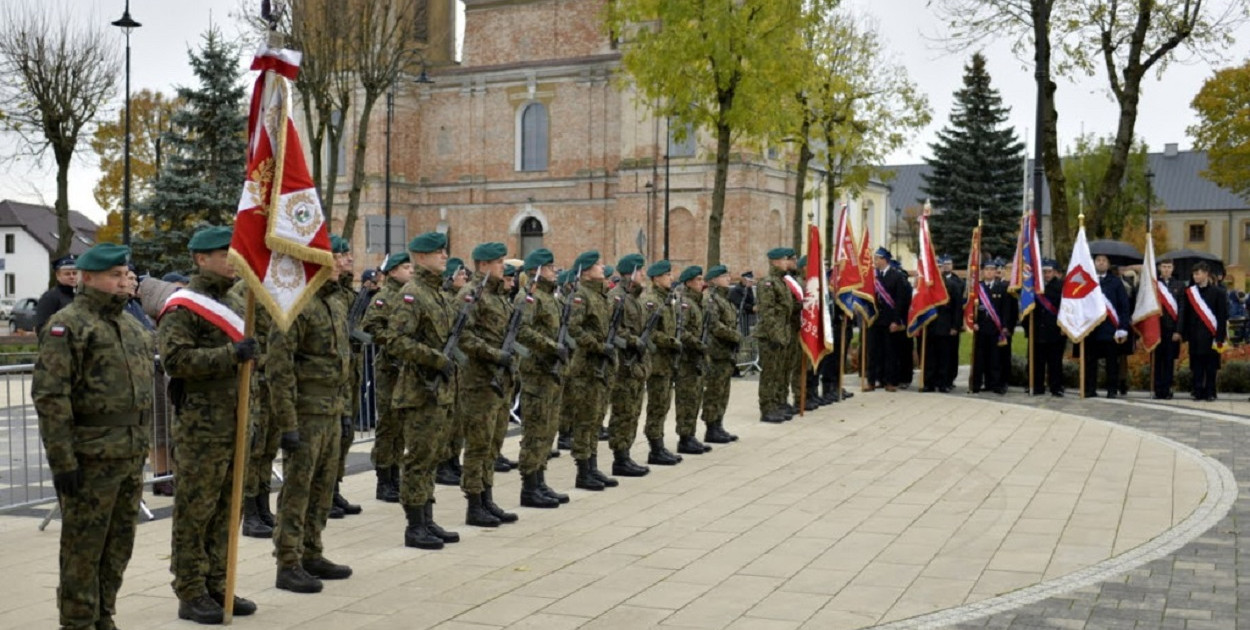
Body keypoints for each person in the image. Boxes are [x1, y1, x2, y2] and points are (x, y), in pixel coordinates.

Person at [34, 243, 154, 630]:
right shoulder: (68, 325)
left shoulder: (133, 327)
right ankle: (77, 621)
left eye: (125, 274)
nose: (124, 281)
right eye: (114, 275)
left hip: (130, 453)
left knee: (119, 546)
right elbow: (52, 397)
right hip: (90, 458)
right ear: (88, 278)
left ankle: (104, 614)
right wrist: (63, 462)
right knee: (83, 549)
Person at [156, 226, 259, 623]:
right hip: (202, 428)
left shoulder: (234, 299)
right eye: (223, 254)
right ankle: (191, 589)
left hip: (236, 421)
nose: (232, 260)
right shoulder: (183, 306)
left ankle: (220, 581)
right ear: (201, 259)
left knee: (227, 510)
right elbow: (176, 361)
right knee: (195, 512)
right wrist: (230, 354)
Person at [268, 243, 355, 593]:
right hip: (305, 410)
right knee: (298, 489)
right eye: (332, 259)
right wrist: (287, 423)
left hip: (332, 408)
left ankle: (312, 551)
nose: (340, 264)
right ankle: (288, 562)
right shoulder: (296, 304)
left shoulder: (334, 301)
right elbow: (280, 367)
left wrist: (346, 409)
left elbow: (343, 362)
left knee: (322, 487)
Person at [388, 232, 461, 549]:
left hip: (439, 391)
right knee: (418, 459)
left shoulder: (440, 295)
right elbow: (396, 341)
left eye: (444, 251)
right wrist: (435, 359)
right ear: (420, 257)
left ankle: (427, 518)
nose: (444, 255)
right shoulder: (413, 294)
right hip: (419, 391)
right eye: (437, 252)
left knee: (431, 457)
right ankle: (414, 526)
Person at [457, 242, 520, 526]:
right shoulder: (471, 295)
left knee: (494, 443)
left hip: (501, 380)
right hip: (480, 381)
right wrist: (496, 355)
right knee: (479, 445)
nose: (503, 267)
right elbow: (464, 337)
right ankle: (473, 503)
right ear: (482, 265)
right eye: (498, 262)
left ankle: (487, 497)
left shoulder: (499, 296)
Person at [516, 248, 572, 508]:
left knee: (548, 429)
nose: (554, 271)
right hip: (537, 372)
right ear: (537, 272)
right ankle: (529, 487)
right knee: (535, 430)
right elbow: (522, 330)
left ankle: (540, 479)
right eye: (549, 268)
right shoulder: (529, 298)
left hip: (552, 372)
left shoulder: (553, 298)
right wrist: (550, 347)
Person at [566, 250, 621, 490]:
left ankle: (593, 466)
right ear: (586, 271)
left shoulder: (602, 296)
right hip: (587, 367)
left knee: (597, 419)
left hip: (602, 366)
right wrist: (598, 347)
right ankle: (583, 471)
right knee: (585, 420)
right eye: (598, 264)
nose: (603, 267)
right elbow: (574, 329)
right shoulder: (581, 296)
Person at [361, 252, 413, 503]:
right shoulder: (383, 297)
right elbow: (371, 327)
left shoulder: (408, 295)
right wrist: (393, 341)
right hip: (389, 368)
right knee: (388, 425)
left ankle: (396, 475)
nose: (411, 270)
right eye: (405, 267)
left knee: (401, 424)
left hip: (406, 368)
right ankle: (384, 479)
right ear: (392, 272)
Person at [605, 253, 651, 478]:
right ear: (631, 273)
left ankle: (626, 453)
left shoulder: (636, 298)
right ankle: (620, 457)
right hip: (623, 364)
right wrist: (633, 341)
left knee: (633, 410)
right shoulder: (616, 297)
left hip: (637, 364)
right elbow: (612, 330)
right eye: (640, 270)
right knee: (622, 411)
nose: (643, 274)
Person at [327, 236, 362, 519]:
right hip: (322, 386)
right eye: (340, 255)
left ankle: (333, 489)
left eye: (347, 254)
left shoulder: (344, 294)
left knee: (344, 436)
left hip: (346, 376)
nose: (346, 259)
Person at [639, 260, 683, 464]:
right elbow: (650, 332)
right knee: (657, 405)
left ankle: (660, 445)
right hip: (657, 361)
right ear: (656, 279)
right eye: (667, 275)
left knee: (664, 404)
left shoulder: (667, 299)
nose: (671, 278)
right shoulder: (651, 300)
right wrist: (670, 342)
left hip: (667, 360)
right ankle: (655, 448)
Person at [673, 266, 713, 454]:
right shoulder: (685, 304)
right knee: (686, 399)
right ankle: (684, 437)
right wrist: (697, 344)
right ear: (688, 282)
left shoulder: (699, 303)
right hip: (687, 359)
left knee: (695, 397)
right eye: (697, 280)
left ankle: (691, 434)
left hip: (697, 357)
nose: (701, 283)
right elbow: (681, 331)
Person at [436, 257, 468, 487]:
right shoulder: (446, 300)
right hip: (442, 368)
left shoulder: (455, 300)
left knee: (456, 419)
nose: (465, 278)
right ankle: (442, 463)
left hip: (456, 370)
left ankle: (452, 460)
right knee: (445, 421)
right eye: (460, 275)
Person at [700, 265, 742, 443]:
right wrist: (735, 336)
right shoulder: (711, 299)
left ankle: (719, 424)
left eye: (728, 275)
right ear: (713, 280)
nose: (728, 278)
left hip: (726, 352)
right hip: (716, 352)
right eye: (724, 276)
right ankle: (711, 428)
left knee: (723, 391)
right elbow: (714, 325)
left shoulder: (725, 299)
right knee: (714, 391)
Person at [1080, 254, 1131, 398]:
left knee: (1111, 363)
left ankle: (1112, 390)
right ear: (1094, 263)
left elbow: (1124, 306)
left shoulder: (1115, 282)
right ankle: (1090, 389)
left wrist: (1122, 327)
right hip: (1091, 328)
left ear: (1108, 265)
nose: (1101, 263)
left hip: (1110, 329)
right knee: (1090, 362)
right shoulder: (1087, 281)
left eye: (1104, 261)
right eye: (1098, 261)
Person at [757, 248, 798, 422]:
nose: (786, 262)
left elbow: (786, 309)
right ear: (774, 262)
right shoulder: (768, 283)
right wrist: (775, 336)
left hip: (782, 334)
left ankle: (778, 403)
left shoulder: (782, 282)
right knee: (770, 374)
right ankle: (767, 408)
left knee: (780, 372)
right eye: (783, 259)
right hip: (770, 336)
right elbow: (768, 313)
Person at [1177, 261, 1227, 401]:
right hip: (1195, 335)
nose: (1196, 276)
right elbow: (1185, 314)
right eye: (1194, 273)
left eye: (1198, 273)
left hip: (1211, 335)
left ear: (1206, 274)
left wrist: (1220, 337)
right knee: (1196, 365)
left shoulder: (1218, 293)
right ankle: (1198, 391)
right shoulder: (1190, 292)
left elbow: (1222, 316)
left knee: (1211, 366)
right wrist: (1185, 334)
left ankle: (1210, 392)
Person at [867, 247, 910, 392]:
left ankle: (889, 381)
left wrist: (896, 321)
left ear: (884, 260)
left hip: (889, 320)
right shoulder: (873, 276)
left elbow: (900, 301)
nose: (875, 261)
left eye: (877, 259)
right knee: (873, 352)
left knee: (890, 352)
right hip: (875, 319)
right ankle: (872, 380)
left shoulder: (896, 276)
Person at [922, 255, 962, 393]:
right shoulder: (928, 286)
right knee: (930, 356)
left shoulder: (952, 285)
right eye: (935, 267)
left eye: (939, 267)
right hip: (930, 326)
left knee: (944, 356)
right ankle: (929, 383)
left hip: (946, 327)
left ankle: (943, 383)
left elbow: (957, 308)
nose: (938, 269)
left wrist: (955, 326)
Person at [1026, 259, 1065, 397]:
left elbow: (1065, 308)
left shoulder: (1061, 287)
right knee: (1038, 361)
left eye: (1049, 272)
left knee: (1055, 362)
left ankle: (1056, 387)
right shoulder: (1034, 287)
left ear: (1055, 272)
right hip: (1037, 330)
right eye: (1044, 272)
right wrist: (1027, 329)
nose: (1046, 274)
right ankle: (1037, 386)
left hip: (1055, 330)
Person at [971, 258, 1011, 394]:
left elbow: (1006, 309)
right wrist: (973, 323)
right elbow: (970, 308)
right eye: (986, 269)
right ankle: (976, 384)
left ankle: (994, 384)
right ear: (982, 272)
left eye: (992, 270)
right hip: (980, 327)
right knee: (979, 358)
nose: (989, 272)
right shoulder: (977, 288)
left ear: (995, 272)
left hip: (996, 328)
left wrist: (1005, 326)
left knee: (995, 358)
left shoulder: (1002, 288)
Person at [1153, 260, 1184, 399]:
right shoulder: (1153, 284)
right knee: (1158, 360)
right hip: (1157, 328)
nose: (1166, 269)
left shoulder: (1179, 285)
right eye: (1164, 267)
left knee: (1169, 360)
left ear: (1173, 268)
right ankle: (1158, 389)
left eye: (1169, 267)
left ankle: (1167, 389)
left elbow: (1182, 310)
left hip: (1172, 329)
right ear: (1159, 268)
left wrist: (1178, 330)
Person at [34, 255, 79, 336]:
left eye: (75, 273)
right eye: (67, 274)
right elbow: (42, 328)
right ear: (58, 275)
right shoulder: (50, 297)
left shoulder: (80, 296)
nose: (72, 277)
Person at [939, 255, 964, 390]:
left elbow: (958, 307)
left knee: (950, 354)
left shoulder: (956, 283)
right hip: (936, 326)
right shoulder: (934, 283)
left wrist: (956, 325)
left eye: (948, 264)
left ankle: (948, 379)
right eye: (943, 264)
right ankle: (936, 379)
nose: (946, 266)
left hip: (949, 324)